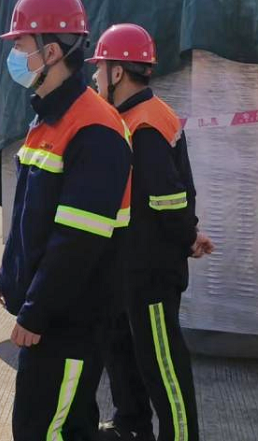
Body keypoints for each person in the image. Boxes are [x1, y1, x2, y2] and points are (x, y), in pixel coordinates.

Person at [0, 0, 132, 441]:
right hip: (52, 314)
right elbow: (31, 216)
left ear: (51, 52)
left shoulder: (95, 128)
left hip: (70, 318)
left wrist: (35, 313)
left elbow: (78, 241)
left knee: (46, 430)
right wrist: (9, 275)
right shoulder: (49, 117)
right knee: (58, 423)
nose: (14, 55)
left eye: (20, 44)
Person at [89, 24, 214, 441]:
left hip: (150, 273)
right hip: (128, 267)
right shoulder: (135, 116)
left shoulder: (144, 125)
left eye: (99, 68)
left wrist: (187, 237)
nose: (94, 76)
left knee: (163, 363)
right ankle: (131, 426)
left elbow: (168, 199)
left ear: (117, 72)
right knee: (123, 352)